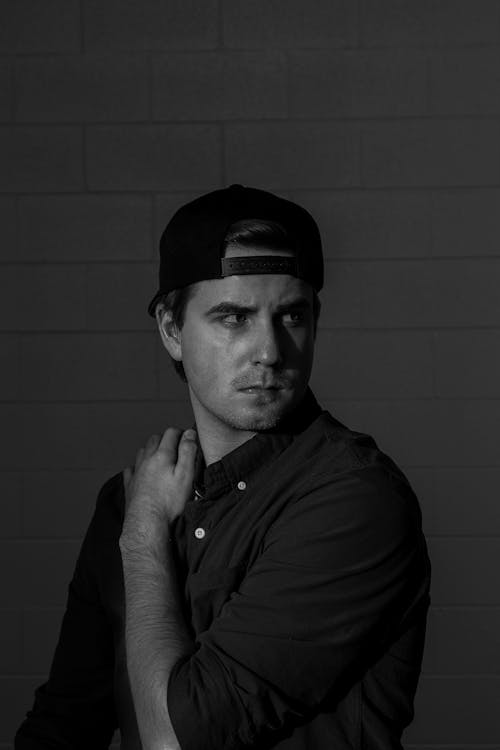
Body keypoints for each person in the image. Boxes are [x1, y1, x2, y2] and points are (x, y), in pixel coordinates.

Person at [16, 184, 431, 750]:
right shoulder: (131, 497)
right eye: (234, 317)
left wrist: (142, 538)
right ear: (170, 329)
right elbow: (64, 723)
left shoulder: (354, 499)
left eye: (290, 315)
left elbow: (177, 741)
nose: (269, 349)